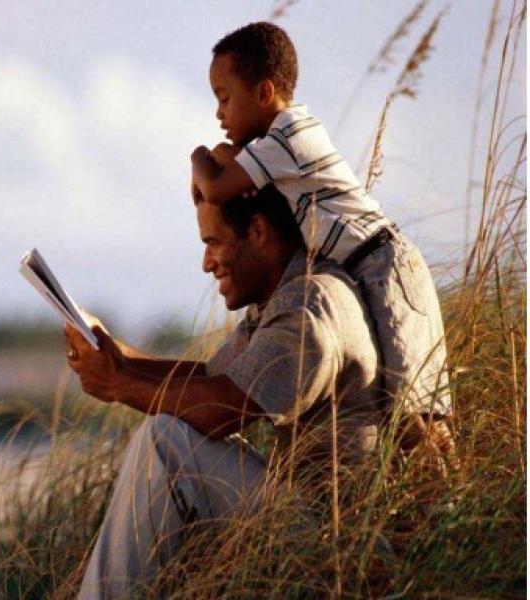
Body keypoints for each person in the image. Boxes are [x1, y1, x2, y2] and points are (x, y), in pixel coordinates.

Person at [65, 183, 385, 599]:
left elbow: (223, 410)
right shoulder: (284, 296)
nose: (206, 263)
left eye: (213, 243)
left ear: (258, 231)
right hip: (310, 521)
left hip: (338, 544)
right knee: (169, 437)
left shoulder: (309, 308)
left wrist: (117, 384)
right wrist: (120, 357)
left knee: (167, 442)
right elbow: (210, 378)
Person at [190, 22, 450, 420]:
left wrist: (197, 156)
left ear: (264, 93)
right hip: (370, 264)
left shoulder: (285, 139)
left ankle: (445, 462)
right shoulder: (286, 137)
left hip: (384, 267)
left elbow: (216, 187)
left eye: (225, 99)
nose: (218, 113)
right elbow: (228, 166)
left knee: (415, 415)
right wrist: (219, 158)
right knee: (399, 412)